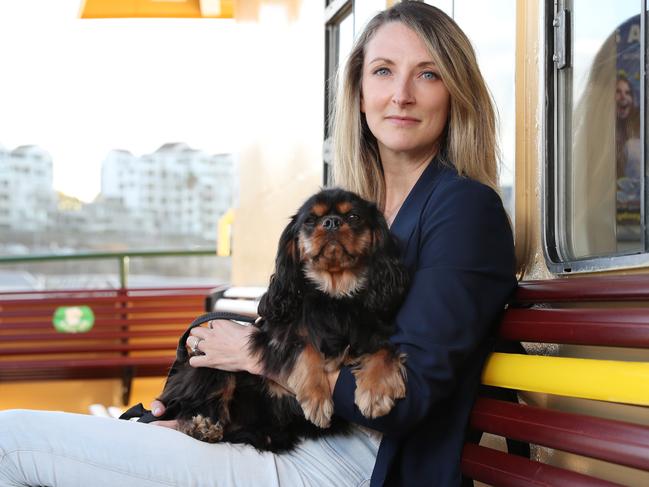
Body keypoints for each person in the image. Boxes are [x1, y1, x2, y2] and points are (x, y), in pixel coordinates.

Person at [0, 2, 515, 486]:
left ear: (454, 92)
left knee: (10, 443)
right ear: (359, 93)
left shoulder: (464, 209)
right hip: (293, 436)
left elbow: (405, 399)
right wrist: (194, 410)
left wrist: (256, 353)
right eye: (383, 71)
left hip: (353, 464)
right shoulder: (364, 210)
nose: (401, 93)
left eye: (427, 74)